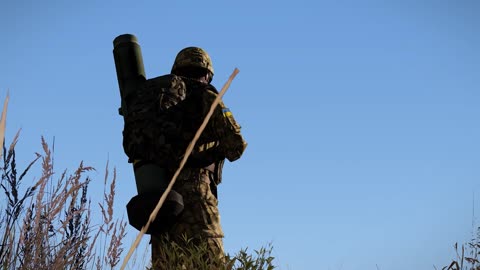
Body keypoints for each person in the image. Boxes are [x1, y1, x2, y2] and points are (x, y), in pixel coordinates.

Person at [151, 47, 247, 266]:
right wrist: (203, 158)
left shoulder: (159, 102)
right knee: (209, 264)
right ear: (206, 73)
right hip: (196, 199)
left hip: (159, 198)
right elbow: (236, 145)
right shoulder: (207, 96)